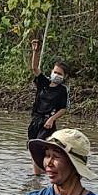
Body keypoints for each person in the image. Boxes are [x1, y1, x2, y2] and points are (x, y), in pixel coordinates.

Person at [27, 38, 70, 173]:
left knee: (40, 146)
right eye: (55, 72)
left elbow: (63, 109)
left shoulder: (62, 90)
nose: (56, 75)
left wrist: (52, 119)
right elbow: (34, 68)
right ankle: (37, 176)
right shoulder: (44, 83)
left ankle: (42, 174)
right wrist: (35, 52)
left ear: (64, 76)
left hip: (48, 123)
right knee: (33, 148)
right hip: (36, 120)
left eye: (60, 74)